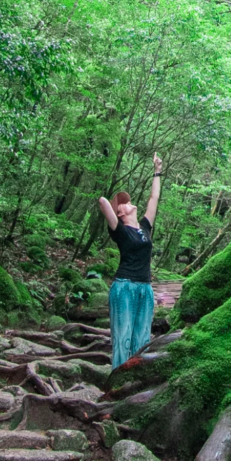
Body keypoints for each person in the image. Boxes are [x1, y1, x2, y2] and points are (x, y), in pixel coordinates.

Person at [98, 153, 163, 369]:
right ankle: (116, 380)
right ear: (120, 214)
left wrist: (157, 171)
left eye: (127, 201)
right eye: (123, 204)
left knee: (141, 341)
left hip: (145, 289)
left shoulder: (144, 227)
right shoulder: (121, 231)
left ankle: (133, 381)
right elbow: (102, 202)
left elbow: (154, 199)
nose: (128, 203)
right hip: (124, 287)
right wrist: (115, 208)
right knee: (122, 339)